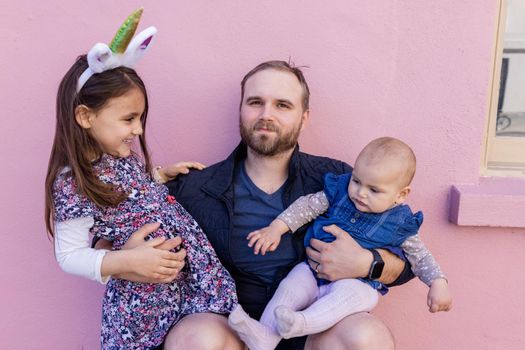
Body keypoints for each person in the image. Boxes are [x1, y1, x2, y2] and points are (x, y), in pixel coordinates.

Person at [158, 61, 416, 350]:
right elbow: (119, 225)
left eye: (283, 105)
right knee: (194, 338)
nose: (266, 114)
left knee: (367, 337)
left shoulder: (342, 183)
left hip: (311, 325)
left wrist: (370, 262)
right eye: (256, 102)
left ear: (304, 118)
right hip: (232, 325)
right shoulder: (196, 187)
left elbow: (407, 264)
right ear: (241, 110)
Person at [44, 10, 237, 349]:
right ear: (85, 116)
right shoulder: (72, 181)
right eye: (129, 118)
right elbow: (69, 255)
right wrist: (128, 261)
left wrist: (160, 175)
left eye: (140, 118)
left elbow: (128, 193)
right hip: (142, 301)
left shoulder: (118, 157)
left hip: (179, 287)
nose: (139, 129)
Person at [227, 136, 452, 350]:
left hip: (357, 283)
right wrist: (277, 228)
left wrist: (438, 282)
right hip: (312, 270)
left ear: (401, 195)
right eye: (356, 181)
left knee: (358, 296)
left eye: (373, 189)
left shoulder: (401, 222)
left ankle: (302, 323)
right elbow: (307, 207)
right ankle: (265, 335)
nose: (360, 193)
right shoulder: (340, 192)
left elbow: (420, 256)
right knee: (291, 285)